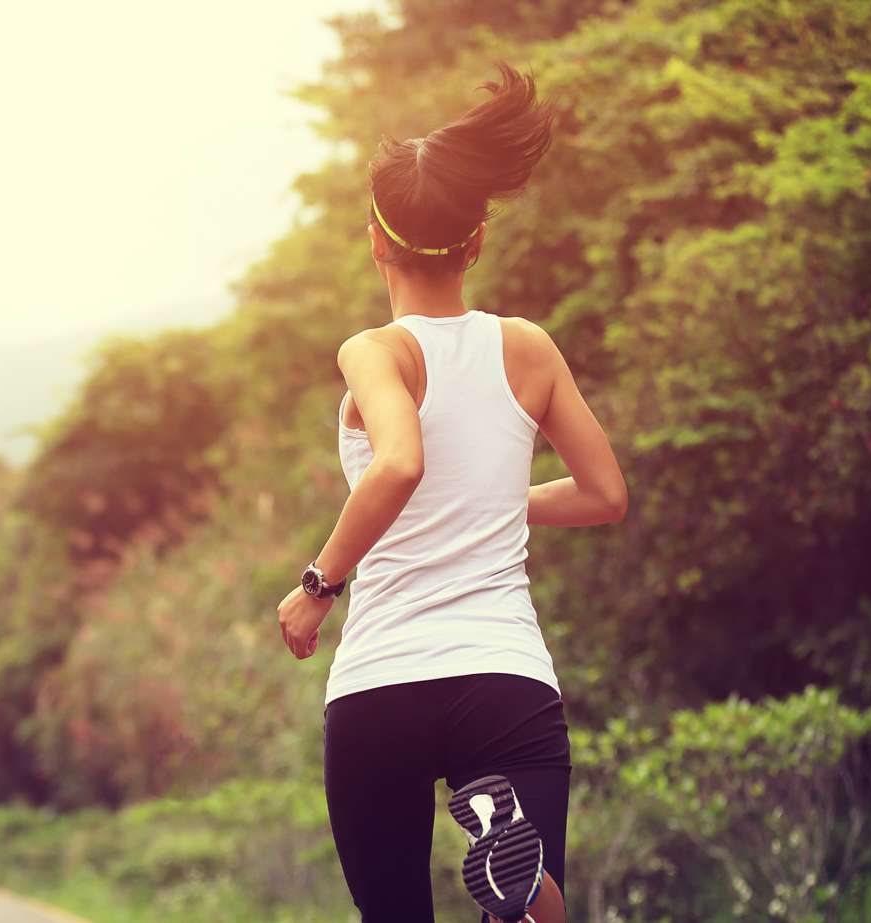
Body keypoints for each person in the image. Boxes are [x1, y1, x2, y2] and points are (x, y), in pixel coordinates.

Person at [276, 62, 628, 923]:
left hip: (382, 684)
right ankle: (521, 881)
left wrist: (318, 584)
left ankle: (515, 879)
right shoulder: (526, 346)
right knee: (524, 913)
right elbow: (603, 494)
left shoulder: (377, 351)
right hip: (503, 677)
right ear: (475, 243)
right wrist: (494, 501)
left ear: (375, 240)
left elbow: (399, 463)